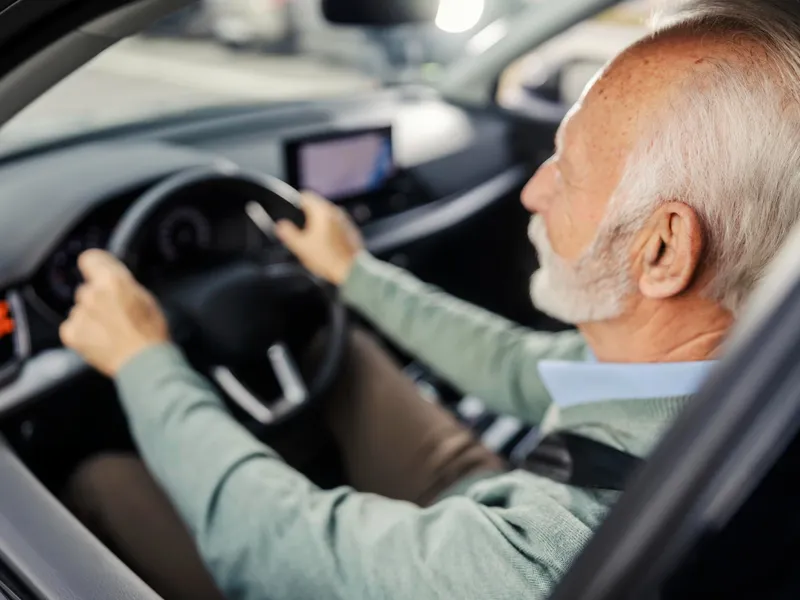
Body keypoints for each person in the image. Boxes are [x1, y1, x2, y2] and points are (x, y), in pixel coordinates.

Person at [60, 1, 800, 599]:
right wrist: (354, 274)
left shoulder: (539, 558)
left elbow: (276, 543)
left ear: (663, 252)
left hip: (468, 541)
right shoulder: (725, 372)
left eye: (566, 170)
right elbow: (517, 364)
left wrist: (143, 360)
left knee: (100, 481)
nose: (532, 190)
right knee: (339, 348)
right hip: (503, 488)